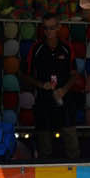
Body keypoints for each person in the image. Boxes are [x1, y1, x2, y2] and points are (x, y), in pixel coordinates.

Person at [19, 14, 80, 160]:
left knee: (71, 141)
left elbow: (74, 74)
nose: (48, 32)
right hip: (43, 100)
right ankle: (44, 171)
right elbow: (24, 74)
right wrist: (41, 84)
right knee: (44, 144)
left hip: (64, 99)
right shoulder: (36, 48)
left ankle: (76, 171)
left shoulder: (66, 48)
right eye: (45, 28)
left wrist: (64, 90)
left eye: (52, 28)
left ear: (58, 27)